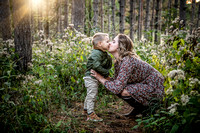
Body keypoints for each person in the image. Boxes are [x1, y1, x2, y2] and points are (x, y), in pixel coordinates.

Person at [91, 34, 165, 116]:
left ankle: (147, 110)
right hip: (145, 86)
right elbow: (117, 82)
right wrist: (105, 77)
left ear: (121, 46)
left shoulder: (127, 61)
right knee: (119, 88)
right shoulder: (119, 62)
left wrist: (100, 78)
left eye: (113, 42)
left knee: (124, 91)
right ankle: (140, 109)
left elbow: (117, 88)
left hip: (155, 89)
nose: (109, 43)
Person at [83, 33, 112, 121]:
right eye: (107, 41)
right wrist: (106, 74)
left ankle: (86, 110)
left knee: (90, 94)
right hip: (91, 77)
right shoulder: (96, 53)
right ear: (99, 44)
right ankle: (90, 114)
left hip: (92, 78)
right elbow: (96, 66)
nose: (109, 43)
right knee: (92, 95)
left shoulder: (102, 53)